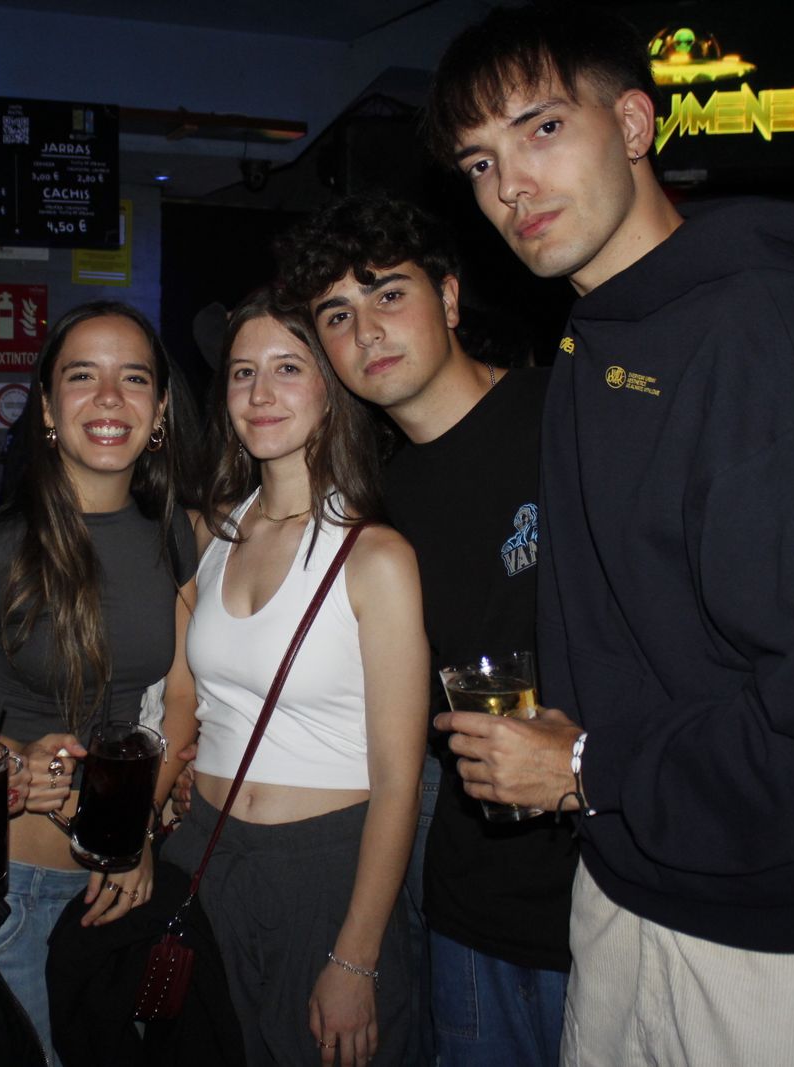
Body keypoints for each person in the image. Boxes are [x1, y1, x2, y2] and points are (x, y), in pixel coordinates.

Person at [426, 6, 794, 1063]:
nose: (511, 187)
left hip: (784, 943)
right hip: (627, 888)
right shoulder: (595, 342)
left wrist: (588, 763)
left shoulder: (766, 330)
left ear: (634, 124)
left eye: (543, 128)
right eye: (480, 162)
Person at [274, 192, 578, 1067]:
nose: (367, 330)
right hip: (471, 906)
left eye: (388, 293)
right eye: (338, 314)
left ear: (448, 298)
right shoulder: (380, 505)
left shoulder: (565, 417)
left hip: (609, 884)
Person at [161, 290, 426, 1067]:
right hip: (204, 853)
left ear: (330, 388)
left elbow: (400, 781)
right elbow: (183, 697)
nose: (261, 392)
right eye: (243, 371)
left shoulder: (376, 556)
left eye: (287, 367)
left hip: (326, 870)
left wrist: (356, 956)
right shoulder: (211, 532)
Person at [0, 300, 199, 1062]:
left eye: (134, 378)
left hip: (121, 887)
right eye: (83, 376)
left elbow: (182, 696)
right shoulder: (1, 547)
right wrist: (8, 754)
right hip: (17, 890)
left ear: (160, 410)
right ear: (47, 408)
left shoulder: (175, 534)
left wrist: (130, 833)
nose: (110, 397)